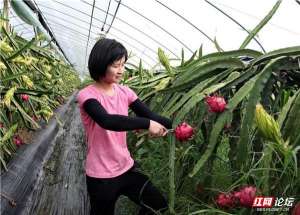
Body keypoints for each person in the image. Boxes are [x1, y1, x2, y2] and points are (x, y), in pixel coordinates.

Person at [76, 38, 172, 215]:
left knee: (158, 205)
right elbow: (108, 120)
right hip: (101, 177)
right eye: (116, 65)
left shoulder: (125, 91)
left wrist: (179, 126)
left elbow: (150, 115)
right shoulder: (87, 95)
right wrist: (147, 124)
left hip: (126, 168)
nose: (121, 71)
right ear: (101, 64)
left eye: (123, 65)